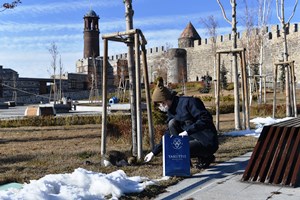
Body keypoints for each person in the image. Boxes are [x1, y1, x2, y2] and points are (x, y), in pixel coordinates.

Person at [144, 80, 219, 169]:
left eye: (162, 103)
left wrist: (188, 131)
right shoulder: (171, 111)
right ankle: (187, 163)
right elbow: (168, 133)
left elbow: (206, 119)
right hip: (192, 138)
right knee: (172, 125)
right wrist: (154, 152)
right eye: (159, 105)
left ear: (168, 99)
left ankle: (205, 156)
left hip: (206, 140)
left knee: (178, 150)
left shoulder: (190, 102)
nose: (161, 107)